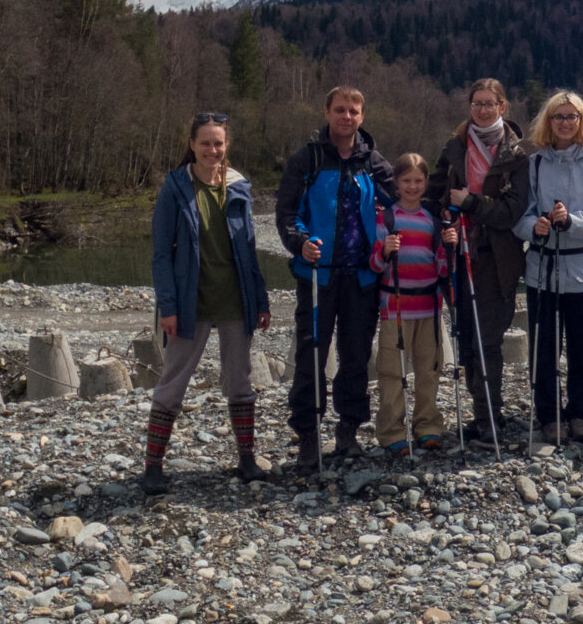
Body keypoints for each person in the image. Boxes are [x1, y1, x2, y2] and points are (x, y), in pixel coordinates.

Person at [145, 113, 272, 492]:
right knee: (173, 382)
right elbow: (160, 255)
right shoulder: (175, 188)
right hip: (189, 301)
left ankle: (247, 459)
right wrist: (167, 306)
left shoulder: (238, 188)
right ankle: (153, 466)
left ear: (226, 145)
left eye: (218, 143)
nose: (212, 150)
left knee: (240, 381)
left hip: (235, 300)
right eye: (205, 143)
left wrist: (261, 299)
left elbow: (249, 251)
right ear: (192, 144)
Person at [275, 85, 397, 467]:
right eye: (340, 110)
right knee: (311, 354)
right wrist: (299, 243)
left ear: (362, 116)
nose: (347, 117)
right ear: (326, 112)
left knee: (356, 356)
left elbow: (403, 204)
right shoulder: (307, 160)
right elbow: (286, 213)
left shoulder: (373, 163)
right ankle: (308, 435)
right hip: (317, 277)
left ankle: (348, 430)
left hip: (362, 276)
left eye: (354, 111)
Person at [517, 91, 583, 443]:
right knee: (544, 348)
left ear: (581, 121)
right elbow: (522, 213)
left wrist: (572, 221)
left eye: (571, 116)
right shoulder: (535, 164)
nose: (564, 122)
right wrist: (535, 226)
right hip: (543, 267)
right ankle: (548, 415)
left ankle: (580, 412)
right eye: (558, 116)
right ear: (548, 121)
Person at [435, 79, 529, 445]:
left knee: (488, 339)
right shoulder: (454, 148)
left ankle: (490, 415)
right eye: (477, 103)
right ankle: (481, 412)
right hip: (460, 257)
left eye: (491, 104)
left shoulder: (518, 155)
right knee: (467, 340)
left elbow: (511, 212)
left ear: (503, 106)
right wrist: (446, 217)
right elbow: (434, 196)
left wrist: (471, 204)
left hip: (497, 261)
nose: (483, 110)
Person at [371, 152, 451, 458]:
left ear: (426, 183)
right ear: (396, 182)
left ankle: (428, 426)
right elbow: (375, 264)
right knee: (392, 371)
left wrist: (449, 245)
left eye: (418, 180)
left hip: (429, 306)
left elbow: (442, 267)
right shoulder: (386, 218)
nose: (413, 186)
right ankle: (391, 430)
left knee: (429, 369)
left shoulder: (432, 220)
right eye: (406, 180)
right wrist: (384, 250)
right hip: (396, 306)